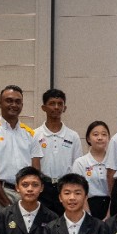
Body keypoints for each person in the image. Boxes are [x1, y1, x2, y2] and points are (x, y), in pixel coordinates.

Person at [0, 85, 42, 208]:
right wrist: (8, 206)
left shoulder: (31, 134)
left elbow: (36, 172)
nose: (14, 105)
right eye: (9, 101)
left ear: (22, 105)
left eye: (18, 102)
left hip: (26, 194)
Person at [35, 88, 82, 216]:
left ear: (64, 108)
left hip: (66, 189)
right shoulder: (34, 135)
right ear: (43, 107)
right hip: (43, 188)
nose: (56, 107)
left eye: (60, 104)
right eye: (52, 103)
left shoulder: (73, 136)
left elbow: (77, 166)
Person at [70, 120, 112, 219]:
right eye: (95, 134)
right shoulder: (80, 163)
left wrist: (109, 216)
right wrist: (88, 216)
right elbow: (79, 191)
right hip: (88, 207)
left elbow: (115, 191)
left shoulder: (114, 162)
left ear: (108, 138)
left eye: (104, 134)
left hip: (111, 208)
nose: (100, 138)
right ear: (88, 139)